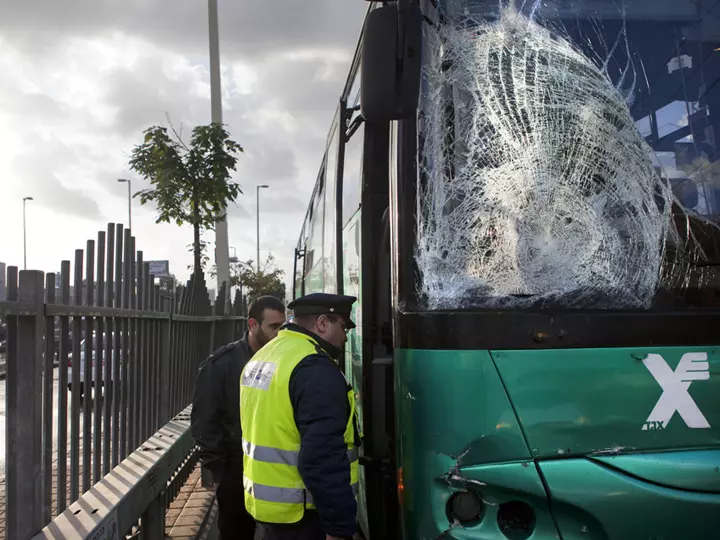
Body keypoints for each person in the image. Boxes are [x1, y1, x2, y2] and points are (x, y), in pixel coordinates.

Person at [240, 293, 362, 540]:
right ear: (322, 323)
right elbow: (322, 457)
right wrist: (339, 528)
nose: (346, 336)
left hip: (267, 515)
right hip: (303, 519)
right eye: (343, 326)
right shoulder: (314, 368)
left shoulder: (263, 357)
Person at [191, 295, 287, 540]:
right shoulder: (222, 364)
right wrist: (219, 471)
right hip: (236, 472)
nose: (279, 333)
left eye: (282, 326)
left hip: (277, 473)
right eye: (273, 326)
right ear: (252, 325)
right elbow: (205, 420)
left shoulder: (284, 360)